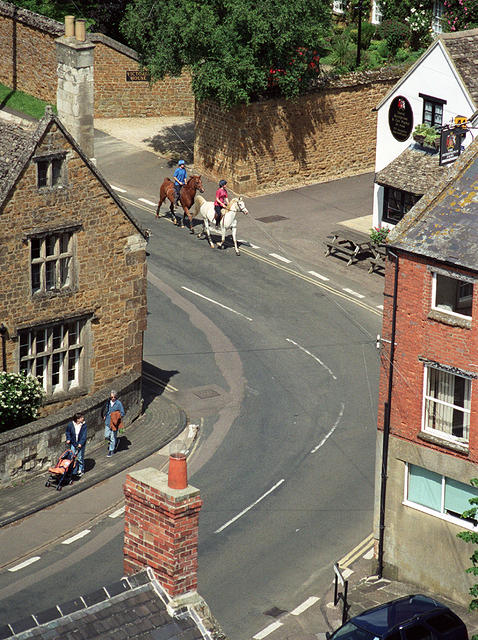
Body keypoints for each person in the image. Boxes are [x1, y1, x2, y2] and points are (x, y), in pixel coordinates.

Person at [103, 390, 125, 457]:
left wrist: (115, 415)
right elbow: (106, 410)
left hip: (114, 423)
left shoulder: (118, 403)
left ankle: (111, 450)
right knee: (106, 435)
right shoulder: (108, 403)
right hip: (107, 421)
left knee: (113, 437)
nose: (113, 398)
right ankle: (113, 442)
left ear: (116, 397)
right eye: (111, 397)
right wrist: (105, 415)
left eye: (114, 397)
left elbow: (122, 413)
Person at [66, 412, 87, 477]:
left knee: (80, 458)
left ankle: (81, 470)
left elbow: (84, 435)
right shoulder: (70, 424)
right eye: (81, 418)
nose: (83, 418)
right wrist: (68, 439)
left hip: (80, 443)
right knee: (72, 457)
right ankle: (73, 470)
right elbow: (68, 432)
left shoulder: (84, 425)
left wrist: (81, 443)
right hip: (73, 443)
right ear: (77, 419)